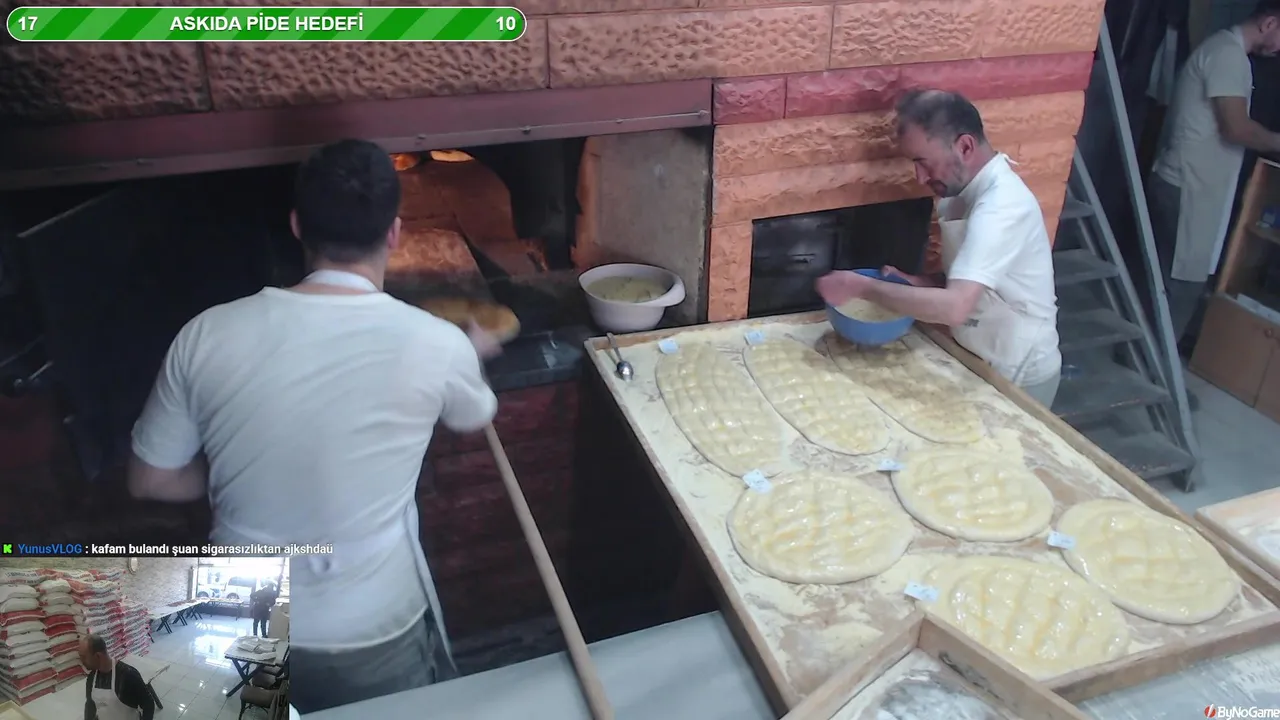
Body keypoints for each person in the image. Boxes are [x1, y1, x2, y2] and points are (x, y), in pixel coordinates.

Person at [126, 139, 502, 713]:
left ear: (297, 226)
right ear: (394, 233)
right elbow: (472, 415)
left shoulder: (206, 333)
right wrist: (467, 353)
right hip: (371, 629)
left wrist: (237, 469)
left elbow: (149, 480)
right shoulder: (436, 344)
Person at [816, 89, 1062, 407]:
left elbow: (955, 307)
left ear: (965, 147)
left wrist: (861, 287)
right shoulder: (960, 194)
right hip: (978, 354)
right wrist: (920, 283)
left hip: (1018, 371)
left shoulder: (1001, 207)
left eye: (923, 162)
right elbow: (976, 283)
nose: (920, 178)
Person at [1148, 0, 1280, 346]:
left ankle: (1140, 356)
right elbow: (1237, 128)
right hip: (1189, 186)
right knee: (1183, 285)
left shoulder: (1227, 53)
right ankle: (1159, 366)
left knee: (1166, 280)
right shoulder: (1227, 55)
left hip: (1189, 183)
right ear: (1269, 24)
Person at [80, 634, 155, 720]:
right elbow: (90, 705)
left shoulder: (128, 675)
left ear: (98, 656)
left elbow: (148, 704)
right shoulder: (92, 678)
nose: (82, 661)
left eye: (84, 657)